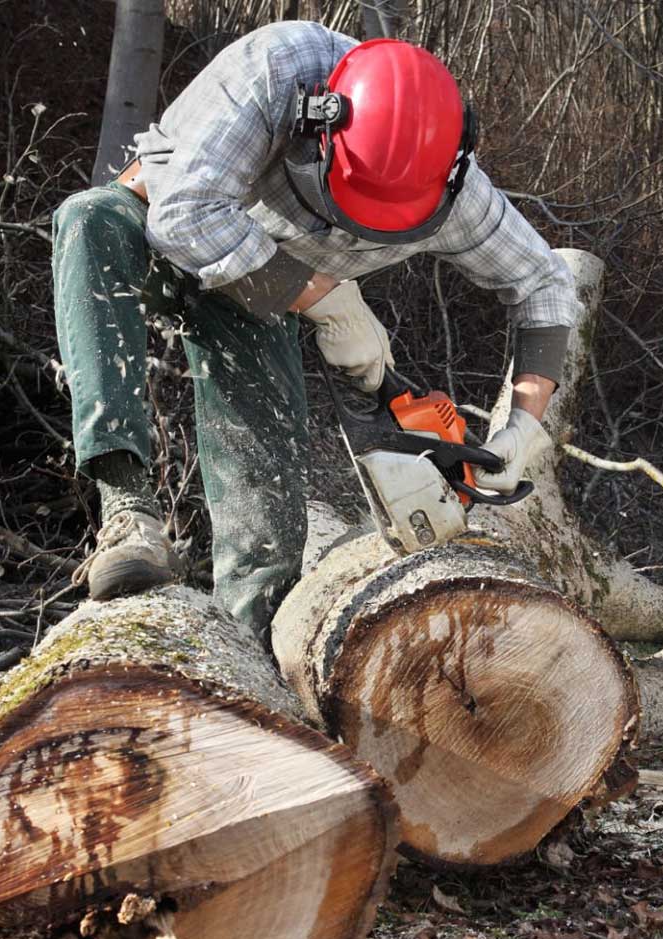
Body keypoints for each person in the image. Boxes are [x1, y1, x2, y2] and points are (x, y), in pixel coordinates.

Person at [50, 22, 579, 639]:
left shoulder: (455, 191)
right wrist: (326, 300)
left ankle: (248, 656)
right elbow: (185, 215)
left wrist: (525, 424)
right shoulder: (274, 72)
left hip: (257, 295)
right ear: (319, 126)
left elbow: (544, 283)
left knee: (268, 526)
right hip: (161, 228)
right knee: (89, 219)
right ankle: (127, 509)